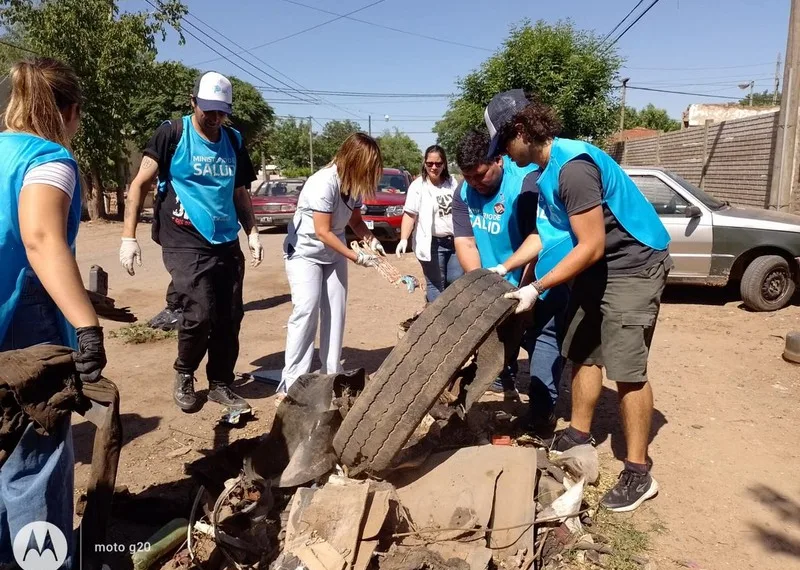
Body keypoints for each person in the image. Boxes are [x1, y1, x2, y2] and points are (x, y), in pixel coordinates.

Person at [487, 89, 672, 512]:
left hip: (634, 263)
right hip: (599, 265)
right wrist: (505, 268)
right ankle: (578, 434)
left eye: (504, 144)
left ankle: (639, 472)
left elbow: (590, 245)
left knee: (626, 367)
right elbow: (546, 236)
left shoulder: (573, 168)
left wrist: (536, 288)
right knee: (582, 350)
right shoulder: (544, 172)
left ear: (521, 130)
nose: (503, 155)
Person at [0, 57, 107, 569]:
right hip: (24, 324)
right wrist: (87, 326)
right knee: (34, 460)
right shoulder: (48, 158)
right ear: (70, 111)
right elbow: (40, 239)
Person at [121, 71, 263, 414]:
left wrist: (253, 231)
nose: (214, 117)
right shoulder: (173, 133)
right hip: (183, 236)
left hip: (225, 237)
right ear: (193, 101)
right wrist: (128, 237)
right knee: (198, 313)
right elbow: (139, 183)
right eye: (208, 109)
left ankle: (220, 383)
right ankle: (185, 373)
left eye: (221, 112)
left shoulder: (233, 140)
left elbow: (239, 191)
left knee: (230, 316)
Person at [452, 129, 568, 434]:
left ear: (498, 160)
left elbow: (539, 239)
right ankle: (504, 383)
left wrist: (525, 289)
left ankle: (541, 413)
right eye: (468, 177)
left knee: (542, 338)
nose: (475, 183)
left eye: (481, 175)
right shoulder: (463, 192)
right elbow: (465, 242)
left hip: (538, 279)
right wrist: (481, 285)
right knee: (498, 338)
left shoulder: (526, 185)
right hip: (497, 281)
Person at [280, 133, 384, 396]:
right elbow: (322, 231)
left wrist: (371, 241)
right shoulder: (323, 183)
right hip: (305, 252)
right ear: (354, 161)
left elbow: (355, 221)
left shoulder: (353, 185)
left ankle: (331, 373)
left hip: (333, 252)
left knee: (336, 310)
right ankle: (294, 382)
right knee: (306, 311)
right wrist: (356, 256)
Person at [396, 145, 462, 303]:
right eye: (430, 163)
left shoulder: (452, 183)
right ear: (424, 163)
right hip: (432, 244)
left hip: (454, 242)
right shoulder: (418, 186)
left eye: (438, 164)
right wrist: (403, 239)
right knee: (436, 284)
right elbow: (410, 215)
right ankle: (437, 316)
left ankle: (447, 312)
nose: (434, 167)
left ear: (444, 164)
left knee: (455, 280)